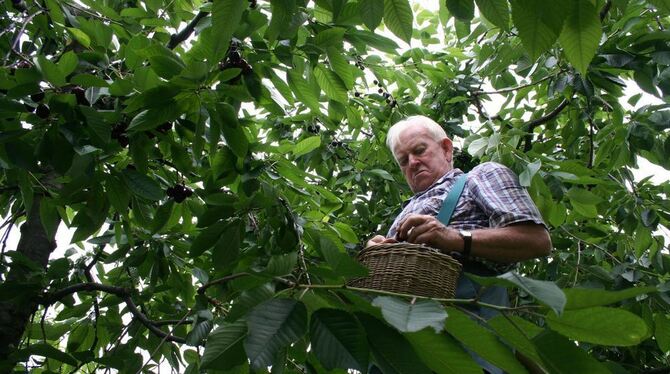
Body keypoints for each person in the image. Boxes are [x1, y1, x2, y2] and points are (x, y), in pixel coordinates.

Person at [366, 115, 552, 373]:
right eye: (403, 161)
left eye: (419, 150)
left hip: (466, 353)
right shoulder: (403, 213)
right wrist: (377, 257)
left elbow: (537, 240)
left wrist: (453, 238)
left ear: (446, 149)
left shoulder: (480, 177)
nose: (413, 163)